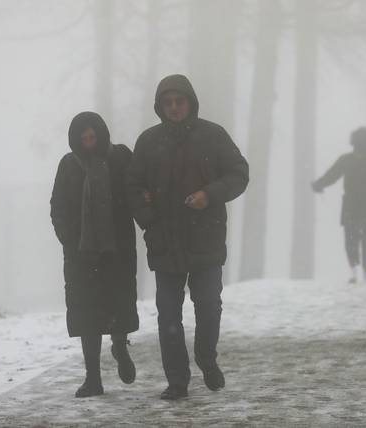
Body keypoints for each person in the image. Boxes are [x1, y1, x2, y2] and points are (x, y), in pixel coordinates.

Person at [126, 75, 249, 400]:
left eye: (179, 101)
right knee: (168, 312)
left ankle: (207, 360)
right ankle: (177, 381)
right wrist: (148, 217)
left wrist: (209, 195)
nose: (174, 108)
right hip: (165, 240)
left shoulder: (213, 135)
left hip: (206, 238)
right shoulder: (148, 141)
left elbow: (239, 173)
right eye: (168, 103)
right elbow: (132, 186)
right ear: (160, 107)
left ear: (190, 102)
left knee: (208, 305)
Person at [50, 112, 139, 398]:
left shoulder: (121, 158)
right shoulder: (68, 165)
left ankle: (120, 348)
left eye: (93, 137)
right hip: (81, 255)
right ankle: (93, 379)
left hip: (117, 250)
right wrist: (69, 240)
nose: (89, 143)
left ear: (101, 135)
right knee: (87, 315)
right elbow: (58, 206)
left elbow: (138, 190)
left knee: (118, 307)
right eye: (83, 139)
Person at [312, 127, 366, 284]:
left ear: (353, 143)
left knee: (351, 239)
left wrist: (319, 184)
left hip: (350, 206)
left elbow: (332, 175)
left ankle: (355, 271)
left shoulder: (346, 160)